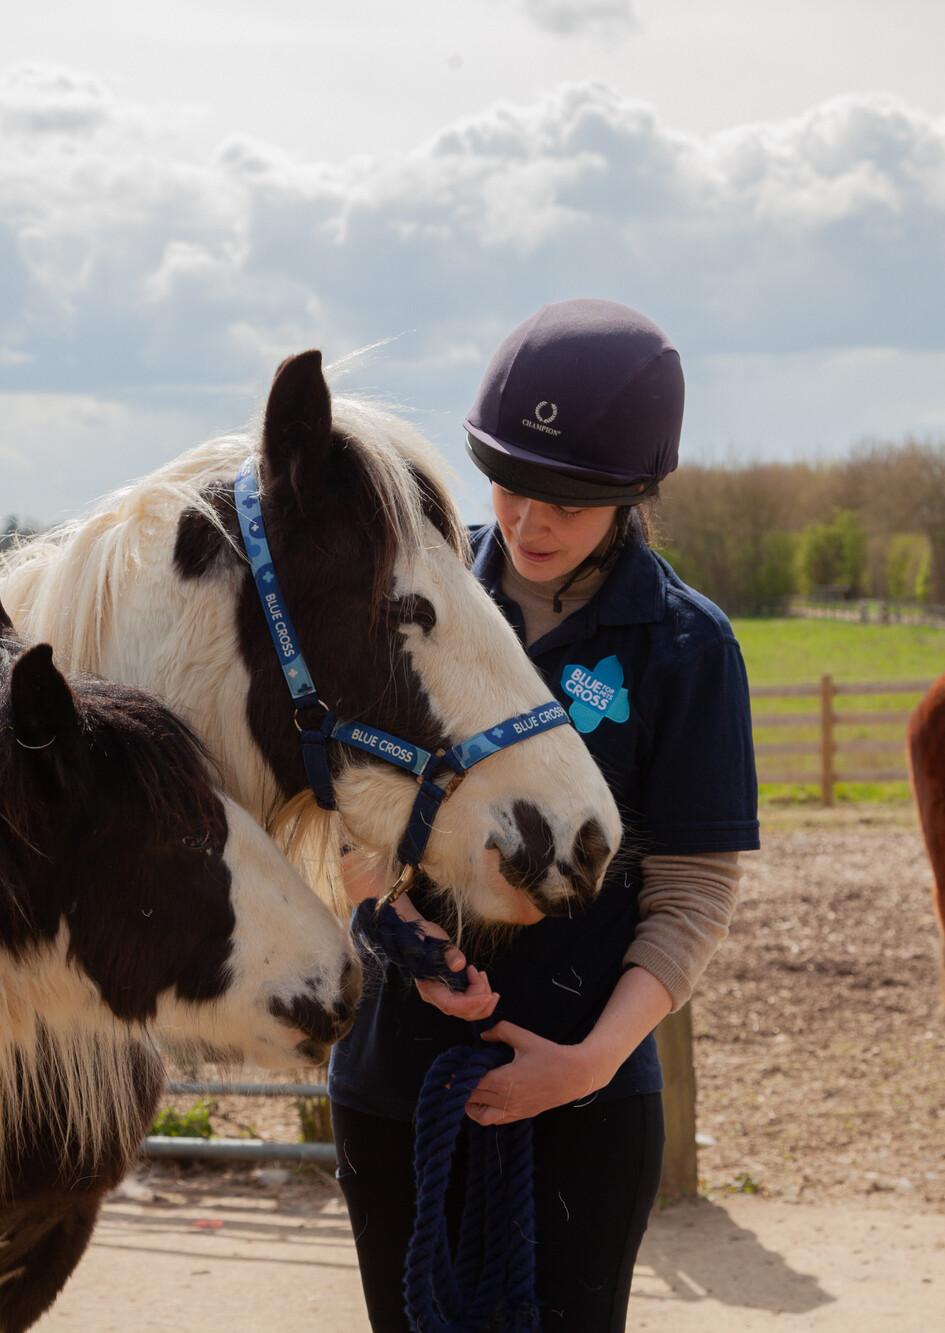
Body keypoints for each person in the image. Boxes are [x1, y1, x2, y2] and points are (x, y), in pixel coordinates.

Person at [326, 298, 761, 1332]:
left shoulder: (686, 650)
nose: (527, 522)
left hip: (588, 1097)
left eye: (565, 501)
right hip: (397, 1081)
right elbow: (346, 802)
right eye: (511, 487)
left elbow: (694, 887)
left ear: (632, 494)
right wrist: (372, 893)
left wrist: (587, 1062)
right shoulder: (408, 611)